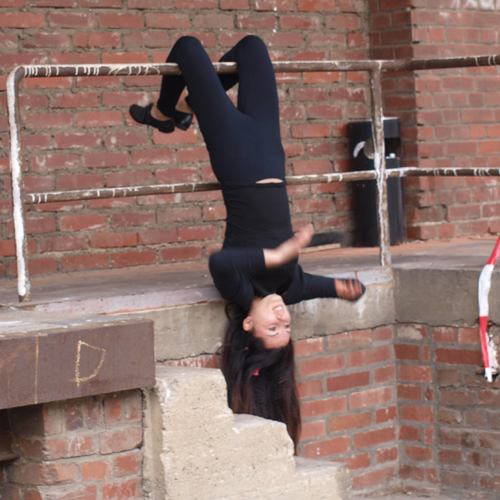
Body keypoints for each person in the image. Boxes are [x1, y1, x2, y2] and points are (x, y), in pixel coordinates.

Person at [129, 35, 365, 449]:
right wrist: (348, 290)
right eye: (286, 326)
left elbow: (219, 262)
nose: (281, 316)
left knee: (187, 48)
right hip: (270, 149)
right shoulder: (289, 289)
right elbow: (331, 287)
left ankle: (164, 113)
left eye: (273, 327)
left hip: (236, 157)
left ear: (248, 325)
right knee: (253, 47)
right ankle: (190, 106)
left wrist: (280, 253)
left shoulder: (238, 289)